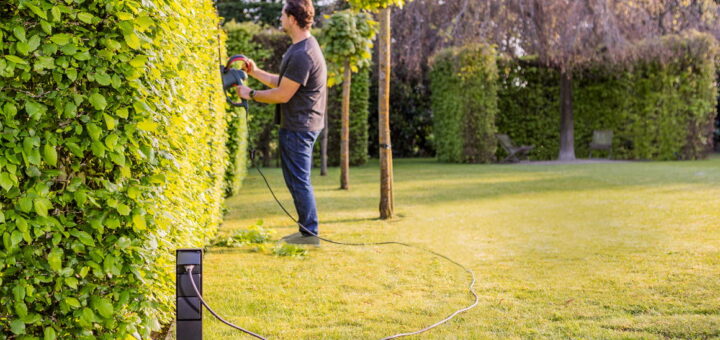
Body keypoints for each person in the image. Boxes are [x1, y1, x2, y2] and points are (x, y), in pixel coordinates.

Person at [236, 0, 326, 246]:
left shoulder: (303, 53)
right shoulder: (300, 47)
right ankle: (307, 230)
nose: (280, 17)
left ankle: (310, 233)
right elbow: (283, 82)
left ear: (293, 18)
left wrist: (250, 94)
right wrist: (254, 71)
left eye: (283, 13)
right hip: (300, 124)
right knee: (296, 179)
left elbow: (283, 95)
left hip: (300, 125)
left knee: (298, 180)